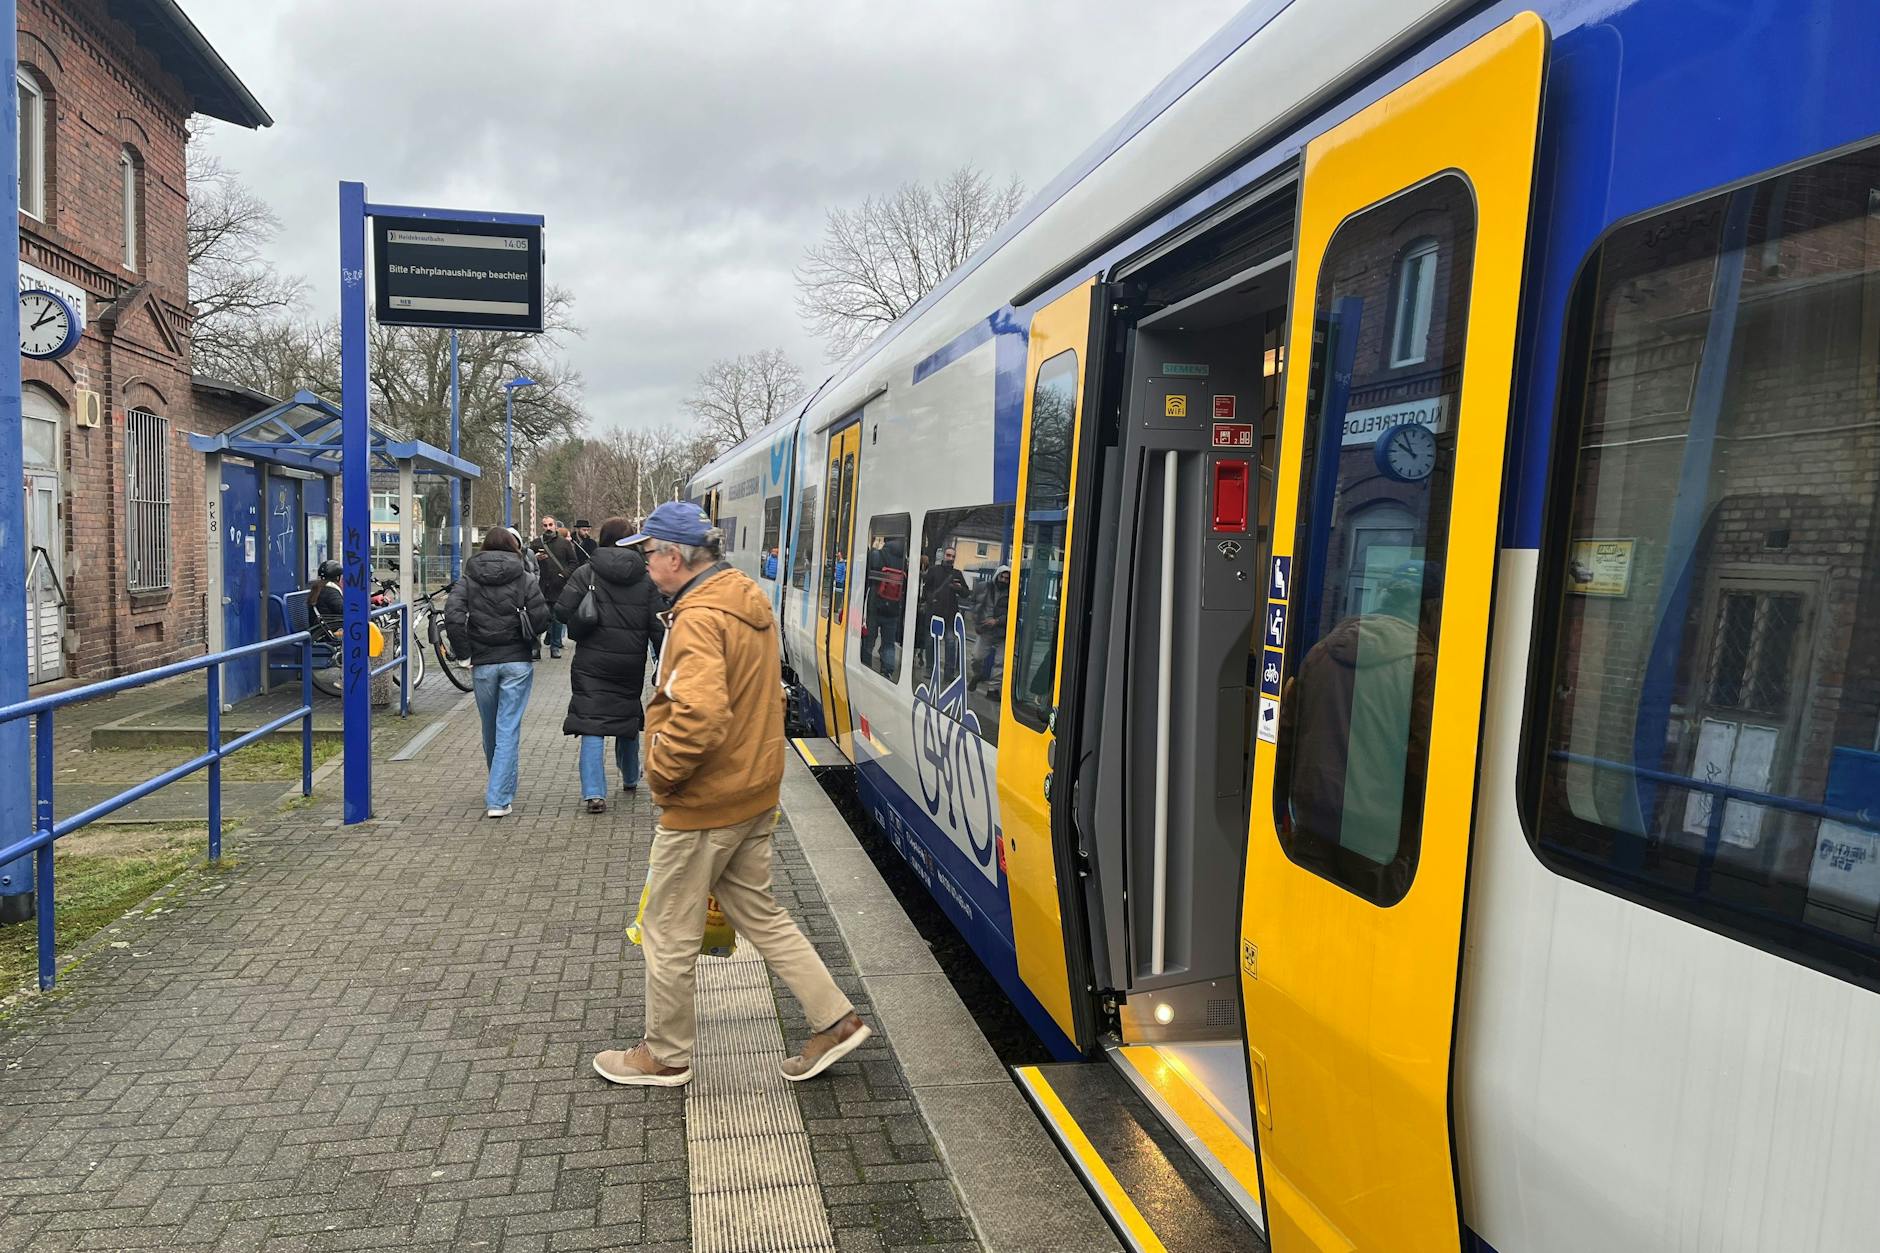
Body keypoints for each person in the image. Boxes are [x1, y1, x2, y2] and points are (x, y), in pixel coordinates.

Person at [593, 500, 870, 1088]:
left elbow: (699, 713)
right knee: (761, 914)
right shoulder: (746, 598)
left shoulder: (697, 618)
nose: (646, 565)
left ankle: (665, 1053)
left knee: (667, 927)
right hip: (754, 790)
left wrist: (663, 777)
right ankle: (836, 1021)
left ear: (673, 556)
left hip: (706, 801)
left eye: (649, 554)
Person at [1273, 562, 1434, 903]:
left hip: (1313, 821)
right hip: (1376, 840)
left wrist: (1286, 804)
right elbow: (1422, 762)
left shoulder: (1320, 652)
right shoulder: (1422, 667)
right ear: (1430, 609)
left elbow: (1287, 735)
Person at [558, 516, 663, 814]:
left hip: (591, 661)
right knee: (626, 718)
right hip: (630, 662)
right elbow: (659, 627)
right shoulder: (646, 578)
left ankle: (594, 793)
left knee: (591, 722)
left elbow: (561, 611)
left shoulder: (586, 572)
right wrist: (662, 663)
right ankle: (631, 777)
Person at [445, 528, 550, 819]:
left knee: (490, 727)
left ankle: (498, 785)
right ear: (513, 548)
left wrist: (465, 653)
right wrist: (527, 634)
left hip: (483, 663)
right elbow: (542, 618)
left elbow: (452, 617)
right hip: (516, 661)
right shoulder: (525, 578)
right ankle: (499, 797)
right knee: (508, 728)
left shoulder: (468, 580)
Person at [533, 516, 579, 658]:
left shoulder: (564, 544)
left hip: (558, 586)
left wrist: (563, 575)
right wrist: (535, 557)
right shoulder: (536, 543)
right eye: (545, 525)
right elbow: (528, 561)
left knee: (557, 618)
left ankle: (555, 646)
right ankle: (536, 648)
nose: (548, 528)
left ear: (555, 526)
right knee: (539, 617)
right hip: (541, 586)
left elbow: (573, 562)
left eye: (550, 524)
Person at [970, 565, 1010, 694]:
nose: (1003, 580)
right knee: (976, 656)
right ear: (997, 575)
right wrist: (976, 618)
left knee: (1000, 661)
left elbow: (1014, 614)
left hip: (1002, 632)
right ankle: (978, 674)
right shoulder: (984, 587)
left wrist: (997, 621)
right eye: (1002, 577)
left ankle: (993, 688)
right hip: (985, 629)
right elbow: (973, 601)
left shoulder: (1012, 593)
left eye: (1006, 578)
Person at [307, 559, 344, 630]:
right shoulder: (330, 591)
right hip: (328, 631)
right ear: (337, 577)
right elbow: (343, 610)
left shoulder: (319, 587)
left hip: (320, 628)